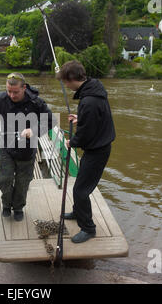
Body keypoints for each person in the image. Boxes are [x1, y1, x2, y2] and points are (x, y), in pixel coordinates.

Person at [0, 73, 57, 221]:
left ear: (24, 88)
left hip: (27, 149)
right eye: (9, 91)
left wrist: (33, 131)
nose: (11, 95)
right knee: (5, 179)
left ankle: (18, 207)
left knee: (23, 182)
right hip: (6, 146)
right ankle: (6, 205)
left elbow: (51, 121)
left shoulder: (36, 103)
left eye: (15, 92)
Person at [56, 60, 116, 243]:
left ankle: (88, 229)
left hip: (97, 150)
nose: (65, 85)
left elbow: (84, 135)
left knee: (80, 190)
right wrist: (80, 117)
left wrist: (71, 142)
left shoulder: (88, 101)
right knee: (81, 185)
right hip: (99, 146)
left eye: (66, 81)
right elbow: (94, 118)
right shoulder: (94, 90)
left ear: (73, 78)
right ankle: (77, 212)